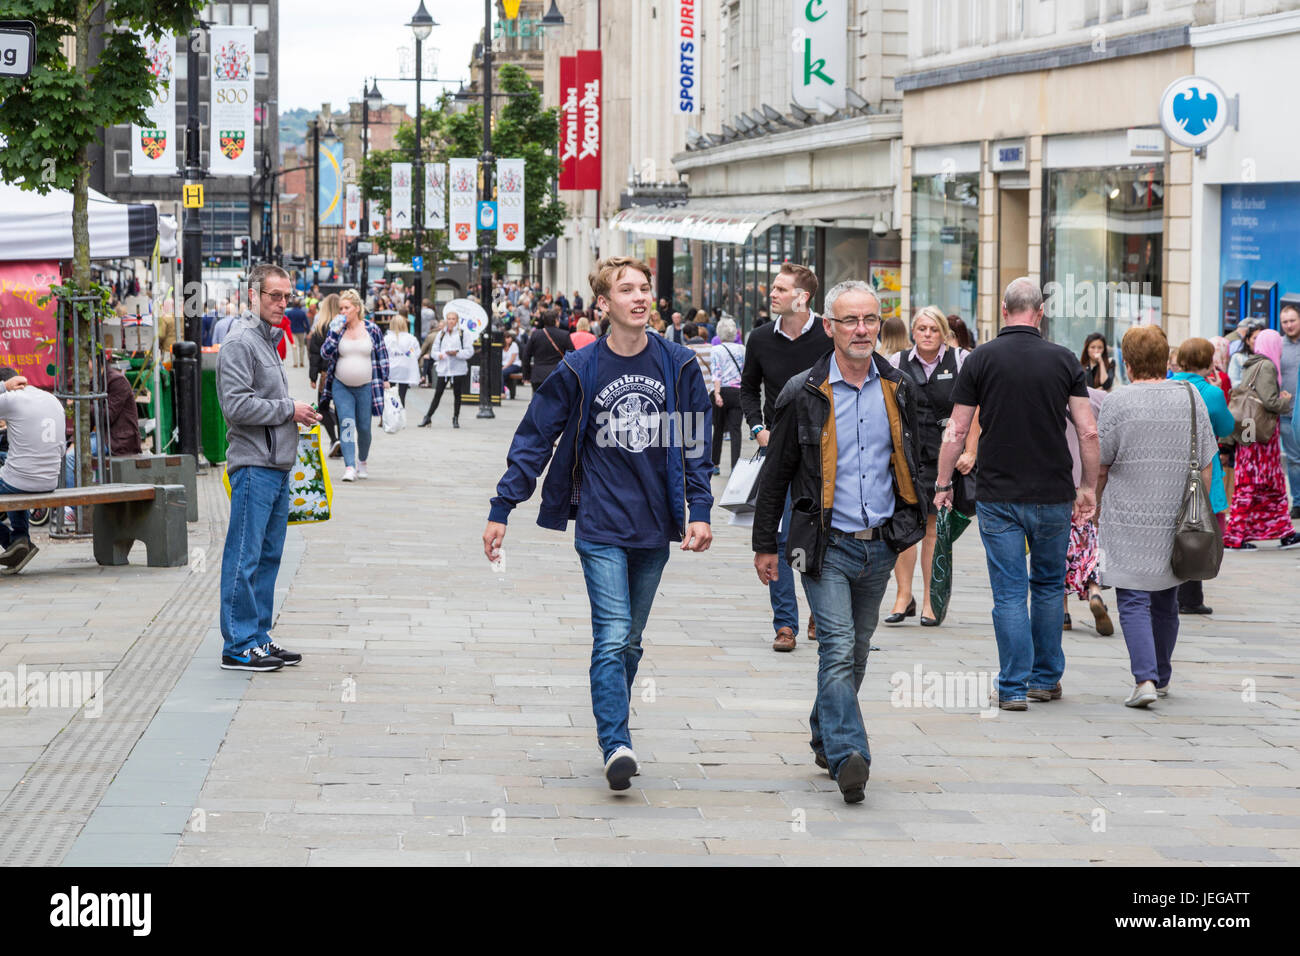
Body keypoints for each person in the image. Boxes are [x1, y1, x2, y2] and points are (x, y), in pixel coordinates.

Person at [483, 256, 713, 792]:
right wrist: (502, 507)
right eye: (626, 290)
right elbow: (535, 437)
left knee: (631, 641)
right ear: (603, 305)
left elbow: (697, 445)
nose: (640, 297)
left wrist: (699, 510)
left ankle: (616, 726)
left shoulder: (678, 366)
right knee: (611, 637)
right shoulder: (579, 369)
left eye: (644, 289)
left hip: (656, 525)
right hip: (600, 523)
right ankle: (616, 742)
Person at [752, 280, 926, 803]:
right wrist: (766, 544)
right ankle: (852, 755)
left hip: (880, 544)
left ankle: (823, 732)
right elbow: (777, 475)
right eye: (850, 320)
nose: (861, 330)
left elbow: (910, 457)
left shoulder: (898, 389)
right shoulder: (803, 393)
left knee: (856, 652)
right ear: (828, 327)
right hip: (825, 545)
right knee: (836, 646)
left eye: (870, 319)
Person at [933, 277, 1098, 710]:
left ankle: (1011, 687)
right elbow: (1088, 430)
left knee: (1008, 592)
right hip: (1053, 492)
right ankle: (1044, 679)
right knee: (1046, 587)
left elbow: (957, 429)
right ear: (1039, 313)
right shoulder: (1064, 361)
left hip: (998, 493)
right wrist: (1088, 487)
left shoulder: (981, 359)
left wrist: (943, 482)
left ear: (1004, 310)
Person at [1095, 325, 1216, 707]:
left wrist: (1092, 502)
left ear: (1127, 363)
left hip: (1129, 513)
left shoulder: (1118, 402)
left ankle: (1144, 679)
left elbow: (1101, 463)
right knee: (1167, 594)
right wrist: (1198, 507)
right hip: (1176, 512)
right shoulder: (1191, 396)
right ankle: (1161, 675)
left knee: (1133, 596)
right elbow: (1208, 462)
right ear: (1167, 360)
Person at [215, 264, 320, 670]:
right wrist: (288, 409)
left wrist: (294, 414)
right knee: (245, 554)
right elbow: (236, 406)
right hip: (253, 464)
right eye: (274, 296)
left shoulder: (267, 341)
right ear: (253, 296)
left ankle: (257, 636)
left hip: (275, 464)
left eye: (286, 296)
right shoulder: (241, 341)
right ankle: (238, 643)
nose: (282, 303)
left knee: (268, 554)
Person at [741, 262, 833, 652]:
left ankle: (819, 612)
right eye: (773, 288)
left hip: (823, 453)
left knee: (821, 533)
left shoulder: (829, 335)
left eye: (780, 288)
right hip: (777, 452)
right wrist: (757, 429)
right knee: (778, 538)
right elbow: (747, 390)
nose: (772, 293)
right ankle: (785, 625)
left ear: (802, 297)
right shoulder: (760, 338)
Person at [886, 306, 978, 625]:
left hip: (943, 456)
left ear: (944, 333)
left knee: (932, 528)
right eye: (922, 329)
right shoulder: (897, 362)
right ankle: (902, 596)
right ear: (913, 332)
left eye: (933, 329)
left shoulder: (962, 360)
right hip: (906, 456)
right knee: (902, 525)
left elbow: (974, 408)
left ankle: (930, 600)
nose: (927, 334)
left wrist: (970, 450)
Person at [1170, 337, 1236, 615]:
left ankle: (1170, 591)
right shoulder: (1211, 393)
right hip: (1201, 468)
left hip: (1168, 467)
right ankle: (1191, 595)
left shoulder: (1167, 385)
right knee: (1200, 525)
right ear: (1208, 362)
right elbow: (1227, 426)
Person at [1223, 329, 1299, 550]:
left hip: (1252, 433)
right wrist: (1285, 400)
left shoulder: (1252, 363)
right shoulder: (1266, 366)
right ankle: (1235, 536)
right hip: (1260, 438)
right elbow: (1270, 402)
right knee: (1252, 483)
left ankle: (1283, 531)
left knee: (1270, 485)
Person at [320, 289, 391, 481]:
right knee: (346, 423)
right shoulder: (337, 329)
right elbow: (324, 354)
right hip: (341, 385)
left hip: (367, 386)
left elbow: (382, 355)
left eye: (346, 308)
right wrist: (333, 333)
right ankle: (349, 466)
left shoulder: (372, 329)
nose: (343, 311)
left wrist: (385, 379)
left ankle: (362, 461)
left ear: (357, 309)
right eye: (340, 308)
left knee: (364, 428)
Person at [0, 370, 65, 574]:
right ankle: (20, 537)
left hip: (20, 480)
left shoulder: (11, 398)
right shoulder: (51, 399)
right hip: (50, 481)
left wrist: (4, 387)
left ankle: (13, 542)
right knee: (15, 473)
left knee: (14, 476)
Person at [1061, 385, 1112, 634]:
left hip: (1057, 481)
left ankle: (1062, 612)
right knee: (1091, 540)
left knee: (1057, 544)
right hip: (1091, 481)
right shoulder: (1100, 397)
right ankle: (1094, 590)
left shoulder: (1050, 392)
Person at [418, 310, 474, 428]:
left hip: (458, 368)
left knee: (457, 394)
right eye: (449, 319)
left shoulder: (463, 333)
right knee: (438, 393)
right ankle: (428, 417)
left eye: (453, 319)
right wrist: (440, 355)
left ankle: (455, 418)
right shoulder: (441, 334)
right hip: (444, 368)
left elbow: (469, 351)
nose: (451, 321)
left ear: (457, 321)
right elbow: (434, 351)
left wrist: (457, 353)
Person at [710, 318, 745, 473]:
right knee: (735, 430)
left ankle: (715, 464)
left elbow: (716, 373)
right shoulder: (742, 349)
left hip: (722, 391)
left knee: (718, 429)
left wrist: (717, 393)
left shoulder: (716, 350)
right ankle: (735, 466)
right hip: (738, 392)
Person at [308, 294, 341, 457]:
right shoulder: (344, 327)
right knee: (343, 408)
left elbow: (315, 355)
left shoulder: (320, 328)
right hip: (342, 373)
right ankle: (342, 440)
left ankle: (334, 438)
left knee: (322, 408)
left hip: (325, 374)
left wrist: (312, 377)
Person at [1278, 303, 1300, 518]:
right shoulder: (1279, 346)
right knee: (1293, 461)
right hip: (1287, 414)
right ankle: (1298, 502)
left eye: (1292, 320)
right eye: (1285, 322)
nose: (1289, 325)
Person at [521, 309, 574, 393]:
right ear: (556, 320)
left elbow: (526, 355)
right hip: (557, 374)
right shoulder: (564, 335)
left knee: (538, 403)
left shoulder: (536, 334)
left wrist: (526, 375)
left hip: (538, 375)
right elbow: (572, 356)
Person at [384, 312, 421, 407]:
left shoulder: (387, 338)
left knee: (388, 396)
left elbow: (384, 354)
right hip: (405, 369)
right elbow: (416, 352)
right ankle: (400, 417)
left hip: (391, 369)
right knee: (402, 396)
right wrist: (407, 356)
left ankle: (387, 418)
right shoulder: (411, 338)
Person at [285, 297, 310, 368]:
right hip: (301, 331)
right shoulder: (302, 312)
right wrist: (308, 331)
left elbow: (287, 322)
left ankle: (295, 363)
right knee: (302, 346)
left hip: (293, 331)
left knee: (294, 347)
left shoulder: (290, 312)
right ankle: (301, 362)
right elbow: (306, 323)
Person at [501, 332, 522, 399]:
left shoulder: (514, 345)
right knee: (497, 372)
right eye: (507, 337)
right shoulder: (501, 346)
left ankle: (502, 392)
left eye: (510, 337)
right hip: (504, 365)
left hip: (514, 365)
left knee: (502, 373)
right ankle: (504, 390)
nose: (509, 339)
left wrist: (504, 367)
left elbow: (512, 359)